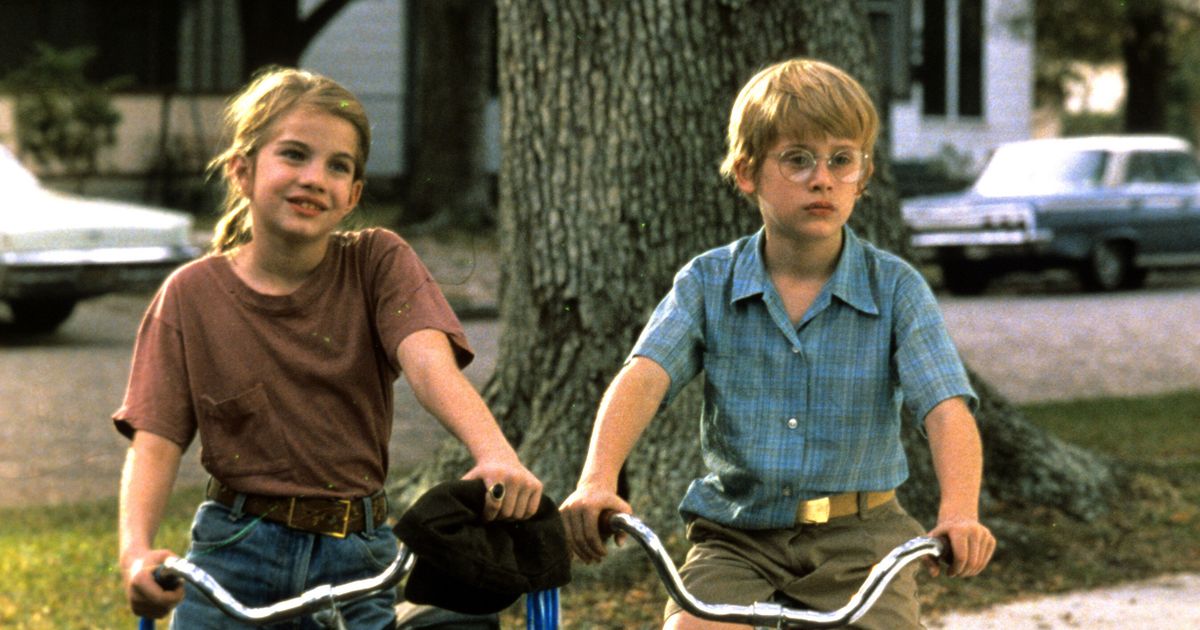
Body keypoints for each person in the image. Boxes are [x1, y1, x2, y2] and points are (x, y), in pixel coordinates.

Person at [559, 58, 996, 630]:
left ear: (863, 176)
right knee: (693, 627)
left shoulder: (895, 289)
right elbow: (644, 376)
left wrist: (959, 511)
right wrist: (597, 480)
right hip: (739, 536)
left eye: (842, 160)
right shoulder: (708, 282)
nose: (822, 179)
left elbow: (944, 407)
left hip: (862, 541)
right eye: (797, 159)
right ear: (747, 173)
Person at [115, 67, 543, 629]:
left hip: (355, 557)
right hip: (232, 554)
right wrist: (135, 551)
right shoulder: (190, 295)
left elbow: (431, 367)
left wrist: (495, 455)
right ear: (242, 170)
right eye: (294, 155)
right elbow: (156, 440)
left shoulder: (377, 262)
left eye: (338, 166)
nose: (315, 178)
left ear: (353, 196)